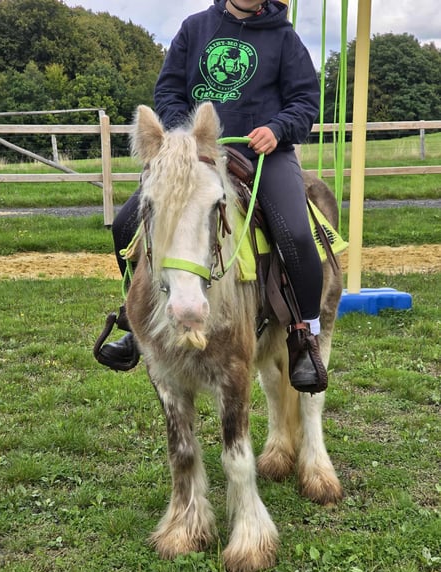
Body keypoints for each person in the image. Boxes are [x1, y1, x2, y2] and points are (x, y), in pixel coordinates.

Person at [96, 0, 328, 393]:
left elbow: (305, 101)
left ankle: (304, 335)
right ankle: (138, 322)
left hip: (261, 155)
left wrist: (277, 129)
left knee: (295, 234)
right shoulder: (194, 28)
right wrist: (185, 138)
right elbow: (168, 91)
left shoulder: (284, 37)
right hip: (196, 155)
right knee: (125, 225)